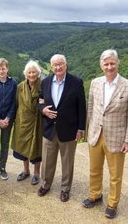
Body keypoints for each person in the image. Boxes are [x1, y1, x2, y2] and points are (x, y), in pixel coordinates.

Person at [82, 49, 128, 219]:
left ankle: (112, 203)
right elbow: (91, 107)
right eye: (106, 63)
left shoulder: (127, 85)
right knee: (94, 169)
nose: (109, 67)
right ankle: (95, 195)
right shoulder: (95, 83)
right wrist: (88, 131)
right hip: (95, 133)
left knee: (115, 175)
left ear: (118, 63)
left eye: (112, 63)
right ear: (101, 65)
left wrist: (127, 140)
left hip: (116, 136)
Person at [37, 54, 86, 202]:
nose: (58, 67)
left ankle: (65, 189)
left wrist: (81, 128)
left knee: (67, 162)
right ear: (51, 67)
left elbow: (82, 107)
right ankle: (45, 185)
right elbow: (39, 101)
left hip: (69, 130)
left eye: (61, 64)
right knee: (47, 161)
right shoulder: (45, 82)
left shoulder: (76, 82)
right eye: (55, 65)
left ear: (66, 65)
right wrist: (43, 109)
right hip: (49, 129)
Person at [11, 60, 43, 185]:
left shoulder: (43, 85)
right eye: (29, 72)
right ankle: (26, 171)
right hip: (23, 120)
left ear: (38, 73)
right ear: (26, 73)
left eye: (34, 72)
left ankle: (36, 173)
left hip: (37, 121)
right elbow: (16, 103)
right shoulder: (20, 86)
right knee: (23, 146)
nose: (32, 75)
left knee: (36, 147)